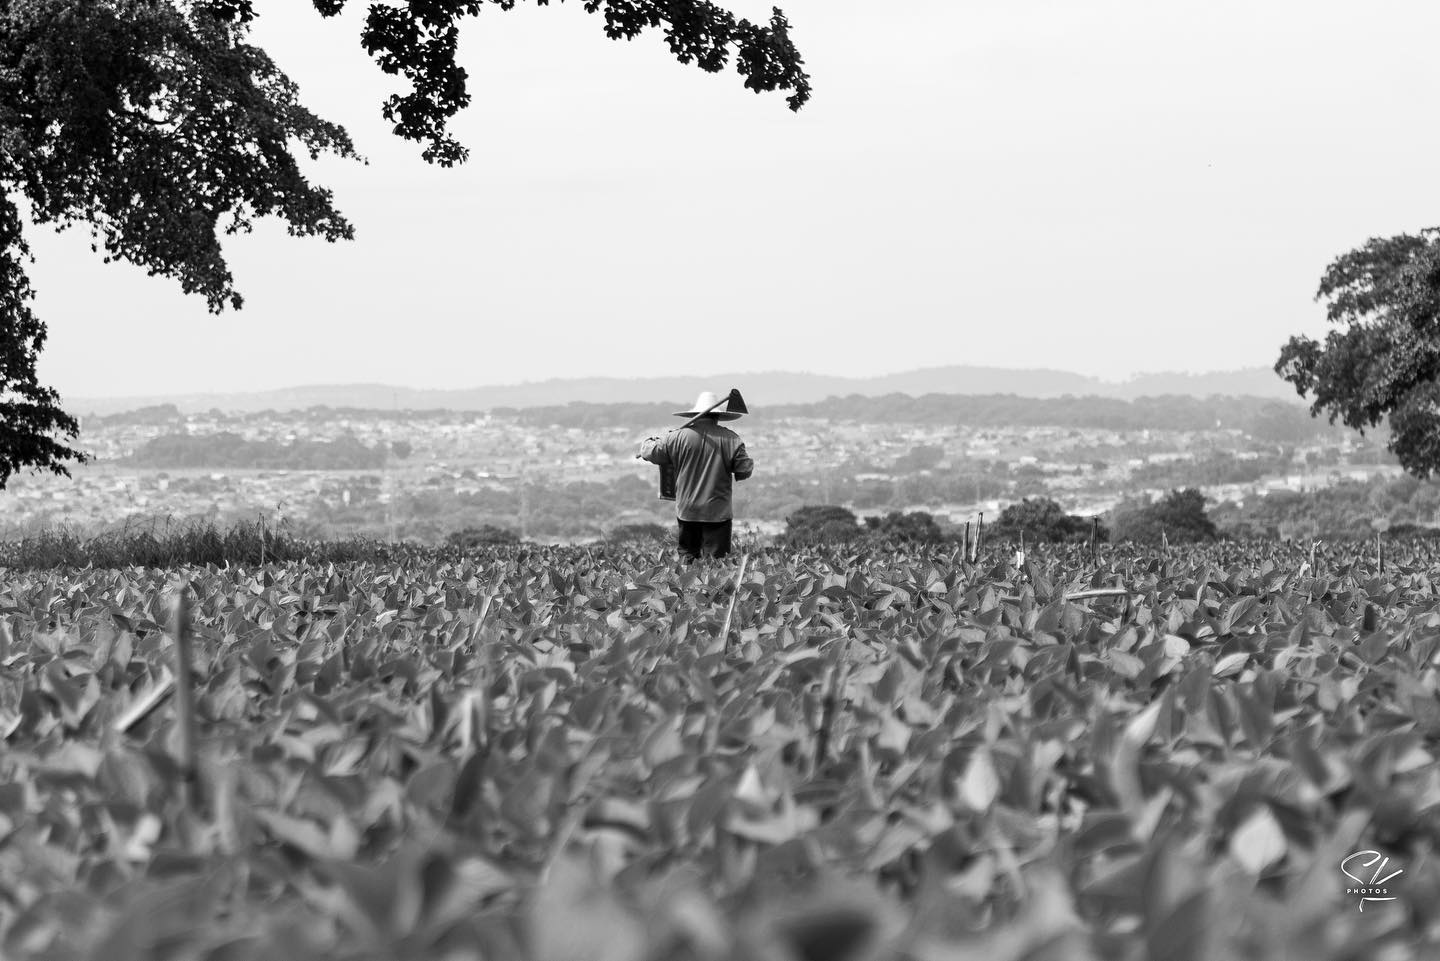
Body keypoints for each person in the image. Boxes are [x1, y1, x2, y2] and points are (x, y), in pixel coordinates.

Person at [639, 390, 753, 560]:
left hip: (688, 510)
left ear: (696, 415)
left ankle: (687, 586)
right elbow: (744, 470)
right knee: (717, 563)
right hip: (718, 512)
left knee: (687, 558)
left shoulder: (676, 437)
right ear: (717, 416)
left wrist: (649, 441)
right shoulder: (731, 439)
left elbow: (650, 452)